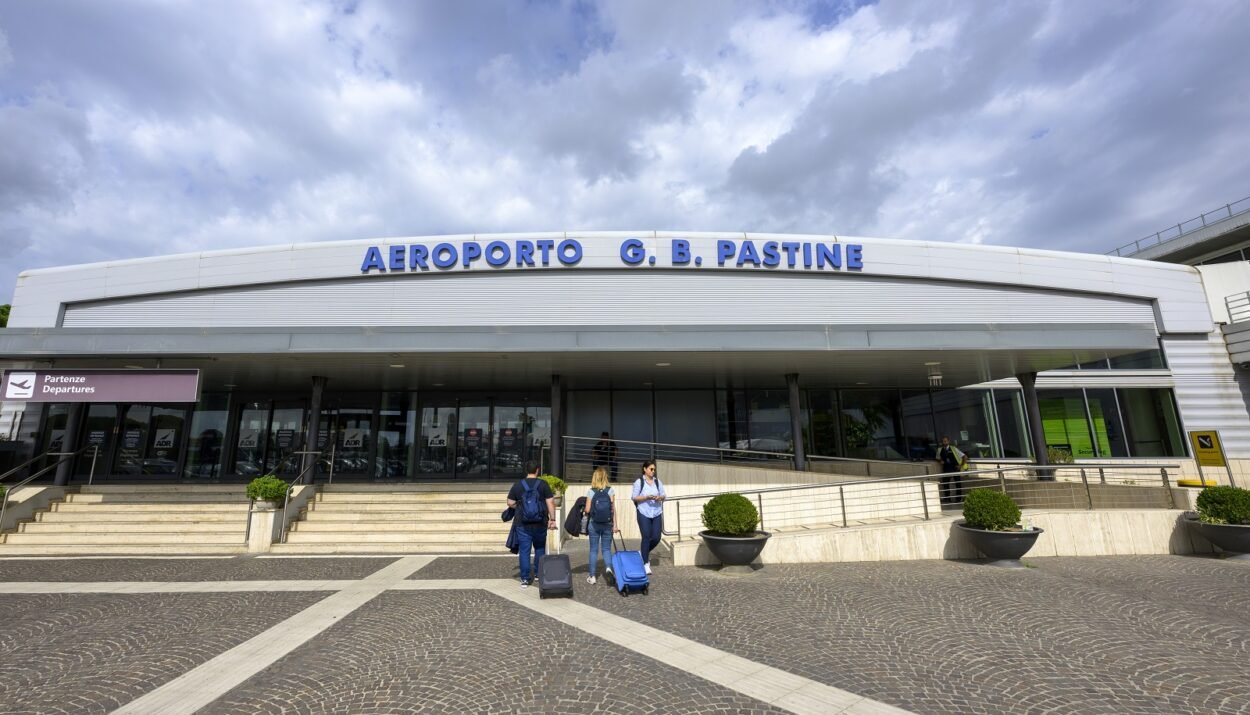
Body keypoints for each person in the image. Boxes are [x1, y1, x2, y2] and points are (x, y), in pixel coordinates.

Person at [505, 460, 557, 587]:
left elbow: (509, 502)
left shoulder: (518, 485)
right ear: (537, 470)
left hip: (522, 524)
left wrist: (520, 505)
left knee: (524, 551)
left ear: (526, 471)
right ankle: (539, 574)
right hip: (540, 522)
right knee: (539, 548)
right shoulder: (543, 484)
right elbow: (550, 502)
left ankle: (525, 579)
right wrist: (552, 519)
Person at [582, 467, 619, 584]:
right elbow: (613, 510)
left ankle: (592, 577)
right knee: (607, 549)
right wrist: (615, 525)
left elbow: (587, 509)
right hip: (608, 524)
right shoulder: (610, 491)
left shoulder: (591, 491)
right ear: (605, 477)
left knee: (593, 550)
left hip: (594, 524)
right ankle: (608, 568)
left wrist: (584, 510)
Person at [631, 459, 666, 575]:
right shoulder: (639, 482)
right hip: (643, 512)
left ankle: (643, 552)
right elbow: (634, 497)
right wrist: (646, 497)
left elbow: (664, 495)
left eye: (654, 469)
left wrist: (659, 498)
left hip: (656, 512)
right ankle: (646, 563)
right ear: (645, 469)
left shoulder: (657, 482)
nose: (653, 471)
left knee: (656, 537)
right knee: (646, 537)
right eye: (651, 469)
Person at [936, 435, 967, 505]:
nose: (944, 442)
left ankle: (959, 498)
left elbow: (964, 457)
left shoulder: (954, 449)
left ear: (948, 441)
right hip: (946, 468)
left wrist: (961, 465)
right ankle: (947, 498)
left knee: (958, 483)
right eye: (943, 441)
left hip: (955, 468)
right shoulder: (940, 450)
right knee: (945, 483)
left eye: (946, 441)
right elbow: (937, 457)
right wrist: (940, 460)